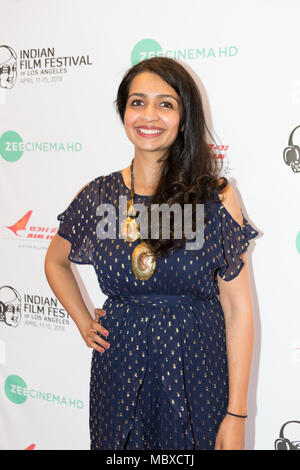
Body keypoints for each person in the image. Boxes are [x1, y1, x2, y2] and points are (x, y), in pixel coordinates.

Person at [44, 57, 260, 450]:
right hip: (119, 370)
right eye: (137, 102)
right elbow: (55, 260)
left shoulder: (216, 196)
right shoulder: (98, 195)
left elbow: (238, 310)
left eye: (166, 104)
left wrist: (237, 414)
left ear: (183, 116)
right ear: (123, 111)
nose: (149, 115)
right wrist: (82, 319)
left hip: (199, 370)